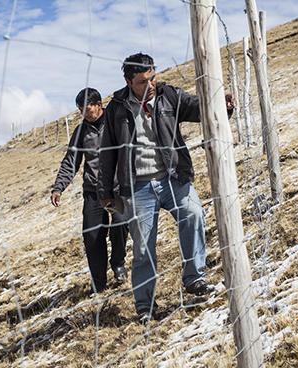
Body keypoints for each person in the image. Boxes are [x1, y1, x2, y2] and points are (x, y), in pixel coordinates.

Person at [98, 53, 233, 322]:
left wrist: (223, 105)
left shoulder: (169, 96)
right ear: (128, 82)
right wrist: (106, 193)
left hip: (173, 177)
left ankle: (194, 279)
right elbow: (107, 153)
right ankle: (145, 305)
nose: (149, 84)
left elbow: (199, 108)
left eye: (153, 77)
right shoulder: (116, 109)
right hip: (137, 187)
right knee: (143, 246)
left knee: (194, 213)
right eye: (141, 81)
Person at [51, 87, 129, 293]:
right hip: (93, 192)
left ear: (98, 104)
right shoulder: (80, 132)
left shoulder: (114, 123)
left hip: (117, 189)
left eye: (88, 108)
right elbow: (71, 161)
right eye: (80, 109)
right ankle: (99, 283)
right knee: (92, 238)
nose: (85, 112)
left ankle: (118, 264)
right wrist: (59, 187)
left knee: (120, 225)